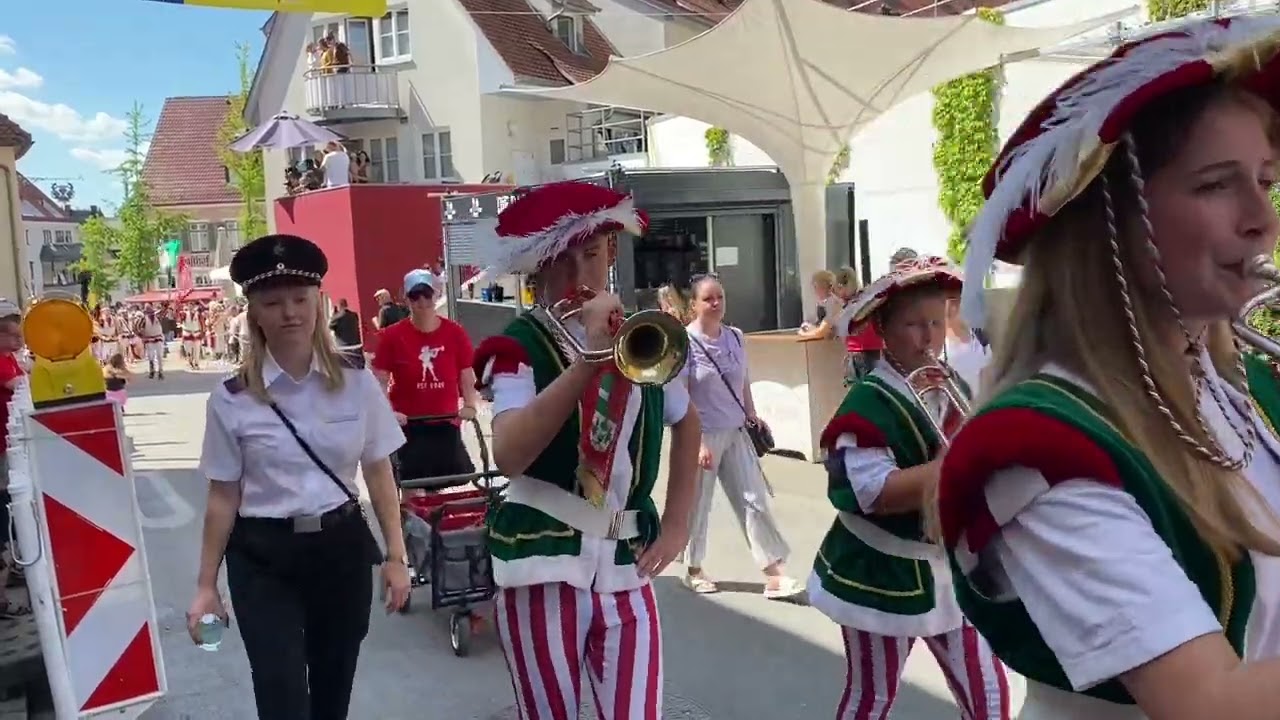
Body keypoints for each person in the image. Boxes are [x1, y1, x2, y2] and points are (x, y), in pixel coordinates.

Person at [935, 16, 1280, 719]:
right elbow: (1209, 705)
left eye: (1266, 180)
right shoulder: (1039, 448)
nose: (1263, 220)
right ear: (1111, 225)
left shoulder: (1251, 393)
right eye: (1217, 185)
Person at [472, 181, 700, 718]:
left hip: (625, 561)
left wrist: (677, 524)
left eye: (592, 256)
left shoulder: (640, 335)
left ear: (612, 254)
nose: (578, 278)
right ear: (538, 271)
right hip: (541, 562)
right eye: (562, 262)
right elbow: (508, 454)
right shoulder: (517, 346)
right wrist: (588, 362)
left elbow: (688, 421)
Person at [186, 234, 410, 720]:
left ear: (318, 303)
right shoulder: (233, 399)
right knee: (281, 690)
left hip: (340, 549)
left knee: (333, 689)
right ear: (255, 314)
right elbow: (223, 497)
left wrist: (396, 555)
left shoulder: (356, 381)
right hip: (264, 558)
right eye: (273, 302)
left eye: (300, 299)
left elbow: (377, 471)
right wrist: (206, 585)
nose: (290, 312)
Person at [811, 256, 1009, 720]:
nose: (928, 338)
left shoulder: (951, 381)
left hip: (949, 568)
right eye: (914, 325)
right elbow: (872, 494)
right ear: (883, 328)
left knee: (991, 701)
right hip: (882, 569)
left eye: (936, 323)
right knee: (872, 699)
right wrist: (953, 465)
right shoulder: (865, 402)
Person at [679, 274, 803, 599]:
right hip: (703, 435)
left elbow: (742, 380)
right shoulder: (685, 343)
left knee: (754, 500)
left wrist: (750, 413)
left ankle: (775, 575)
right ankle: (693, 569)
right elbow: (681, 395)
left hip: (736, 431)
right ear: (693, 305)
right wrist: (698, 441)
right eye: (708, 299)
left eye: (720, 297)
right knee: (697, 506)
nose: (716, 303)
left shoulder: (734, 336)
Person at [370, 268, 479, 486]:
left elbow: (466, 373)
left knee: (451, 483)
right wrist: (388, 411)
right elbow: (380, 378)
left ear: (436, 295)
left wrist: (470, 405)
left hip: (446, 421)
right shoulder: (392, 336)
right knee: (412, 486)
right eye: (415, 296)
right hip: (409, 424)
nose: (422, 302)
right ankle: (412, 516)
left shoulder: (455, 333)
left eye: (426, 295)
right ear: (406, 299)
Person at [0, 303, 26, 619]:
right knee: (5, 510)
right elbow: (17, 386)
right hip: (2, 450)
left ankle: (14, 565)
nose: (19, 338)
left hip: (8, 445)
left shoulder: (9, 359)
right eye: (12, 333)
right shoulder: (2, 363)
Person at [139, 305, 165, 379]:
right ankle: (152, 371)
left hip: (158, 337)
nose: (150, 313)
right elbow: (140, 328)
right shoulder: (144, 319)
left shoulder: (158, 316)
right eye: (148, 312)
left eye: (151, 311)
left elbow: (163, 312)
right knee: (151, 356)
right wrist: (142, 335)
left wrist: (165, 305)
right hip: (149, 339)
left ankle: (160, 371)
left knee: (159, 355)